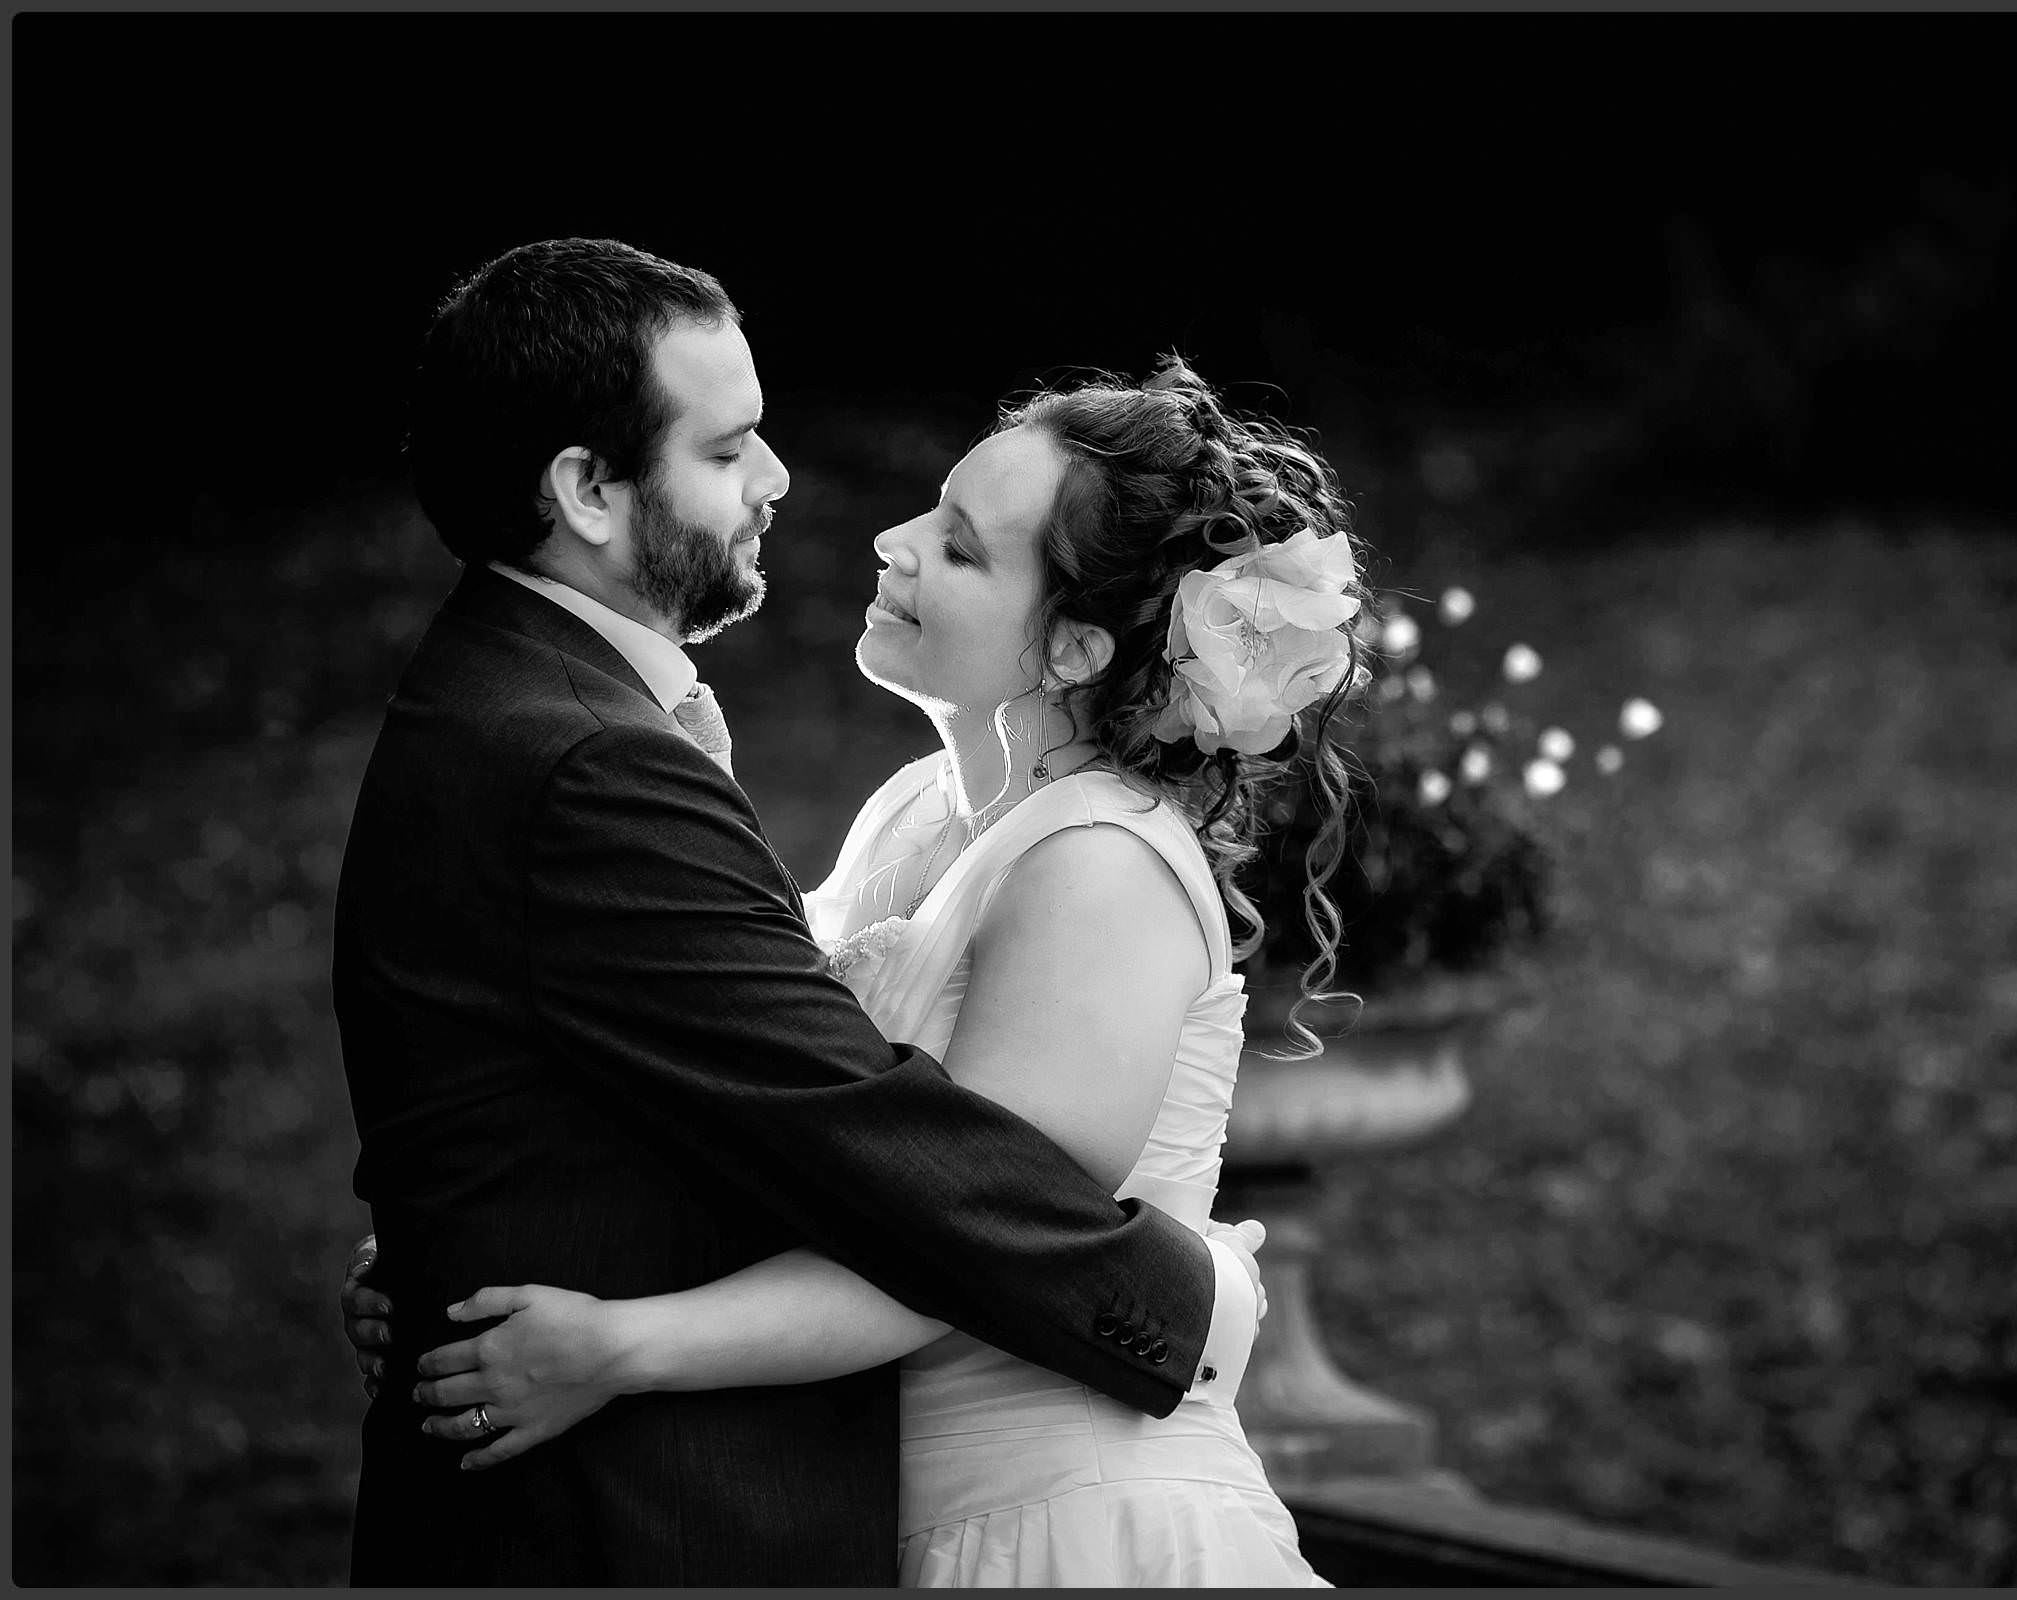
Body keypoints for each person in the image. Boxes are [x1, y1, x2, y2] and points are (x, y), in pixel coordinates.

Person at [343, 336, 1375, 1584]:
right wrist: (466, 1244)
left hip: (1068, 1520)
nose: (892, 540)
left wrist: (623, 1345)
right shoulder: (914, 814)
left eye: (957, 543)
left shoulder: (1098, 865)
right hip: (889, 1507)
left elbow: (968, 1237)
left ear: (1075, 651)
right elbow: (768, 1115)